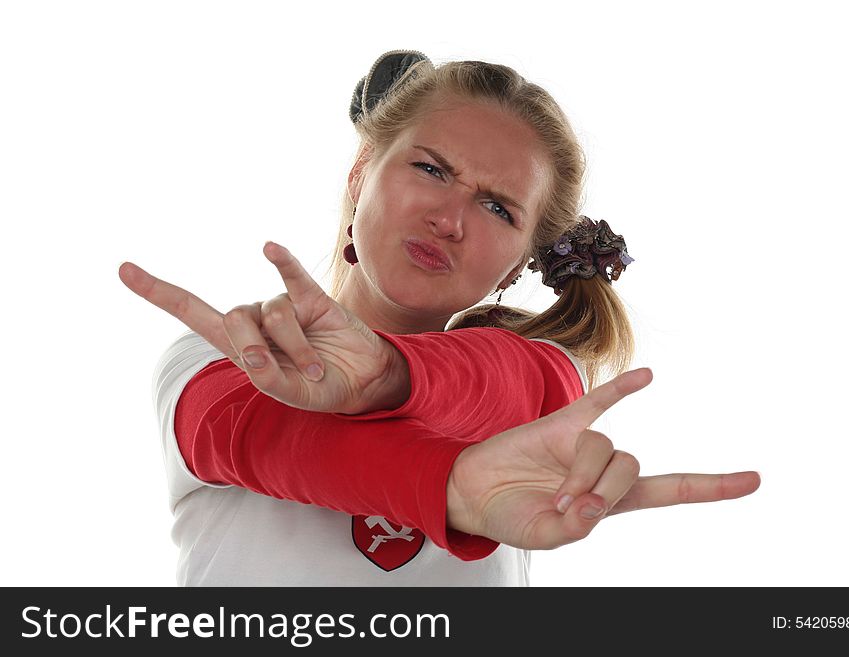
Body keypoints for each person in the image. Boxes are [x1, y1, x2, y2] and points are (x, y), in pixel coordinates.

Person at [120, 50, 760, 586]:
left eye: (498, 209)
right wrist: (449, 488)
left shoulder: (533, 387)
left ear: (516, 268)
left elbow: (526, 386)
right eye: (431, 169)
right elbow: (267, 441)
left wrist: (389, 373)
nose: (449, 219)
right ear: (360, 174)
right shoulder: (220, 353)